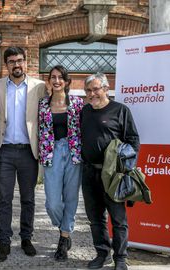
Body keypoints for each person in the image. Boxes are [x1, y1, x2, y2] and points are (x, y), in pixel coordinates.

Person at [0, 46, 47, 262]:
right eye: (12, 61)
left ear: (26, 62)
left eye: (20, 60)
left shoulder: (39, 87)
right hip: (3, 151)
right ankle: (4, 242)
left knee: (28, 199)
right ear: (7, 65)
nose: (16, 64)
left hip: (28, 152)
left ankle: (26, 238)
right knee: (4, 199)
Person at [80, 73, 140, 270]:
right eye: (88, 90)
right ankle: (102, 254)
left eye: (96, 89)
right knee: (95, 218)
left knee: (118, 219)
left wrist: (125, 169)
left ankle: (121, 258)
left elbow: (133, 141)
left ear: (106, 89)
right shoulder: (85, 111)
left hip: (113, 175)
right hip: (89, 173)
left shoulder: (120, 110)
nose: (92, 94)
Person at [38, 65, 84, 262]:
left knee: (71, 197)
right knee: (53, 202)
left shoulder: (78, 103)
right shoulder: (42, 104)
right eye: (53, 77)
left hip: (74, 153)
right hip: (51, 153)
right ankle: (63, 225)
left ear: (66, 81)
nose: (56, 81)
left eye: (60, 77)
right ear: (49, 81)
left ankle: (64, 239)